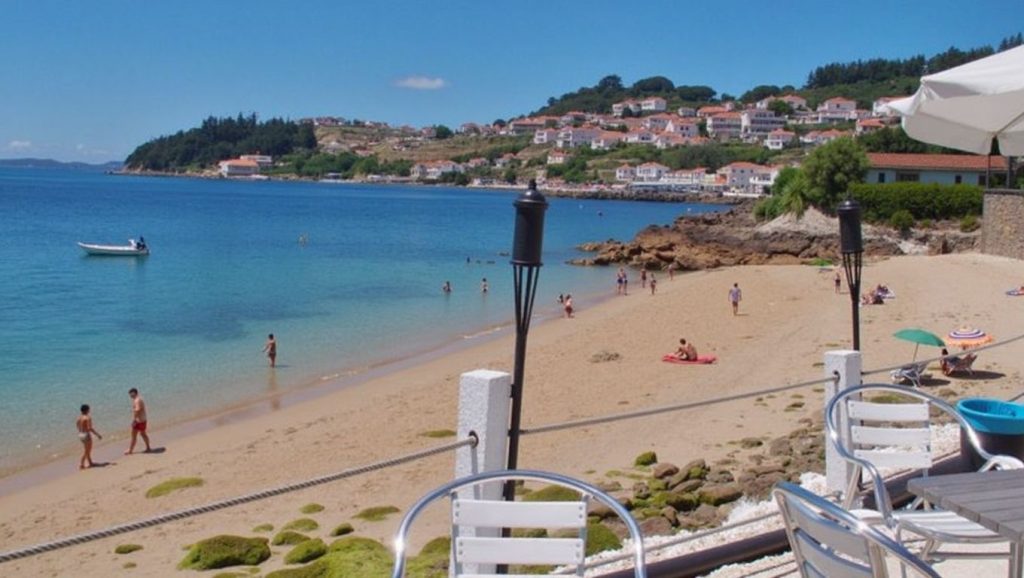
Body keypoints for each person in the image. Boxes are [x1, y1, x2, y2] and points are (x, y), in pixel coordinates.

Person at [125, 388, 151, 455]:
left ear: (134, 393)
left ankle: (130, 450)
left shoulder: (137, 400)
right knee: (143, 434)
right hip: (143, 420)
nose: (130, 395)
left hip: (139, 421)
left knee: (134, 435)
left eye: (131, 394)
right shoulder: (139, 399)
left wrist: (134, 420)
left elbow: (137, 410)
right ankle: (148, 447)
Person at [77, 404, 102, 469]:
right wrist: (97, 434)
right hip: (86, 435)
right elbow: (89, 428)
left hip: (80, 434)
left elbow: (78, 426)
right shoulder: (87, 418)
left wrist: (81, 433)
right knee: (87, 451)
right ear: (87, 410)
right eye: (89, 409)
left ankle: (90, 463)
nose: (89, 410)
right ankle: (81, 464)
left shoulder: (79, 418)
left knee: (86, 450)